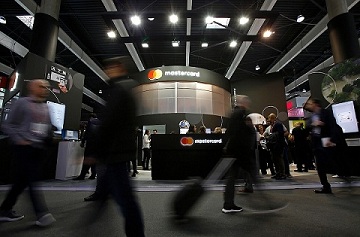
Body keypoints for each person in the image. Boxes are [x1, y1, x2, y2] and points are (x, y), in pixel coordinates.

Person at [90, 57, 145, 236]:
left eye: (111, 68)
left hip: (115, 152)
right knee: (109, 194)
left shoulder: (118, 89)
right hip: (117, 151)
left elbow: (109, 123)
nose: (108, 71)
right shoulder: (128, 88)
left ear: (118, 68)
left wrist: (96, 150)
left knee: (126, 200)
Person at [0, 79, 56, 226]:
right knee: (32, 181)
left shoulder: (45, 107)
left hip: (38, 149)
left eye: (46, 87)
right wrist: (19, 139)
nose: (45, 89)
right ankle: (42, 213)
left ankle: (4, 210)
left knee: (20, 183)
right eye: (41, 86)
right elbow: (8, 125)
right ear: (32, 87)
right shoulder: (21, 103)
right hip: (23, 149)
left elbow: (46, 128)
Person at [304, 97, 348, 194]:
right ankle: (326, 186)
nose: (309, 105)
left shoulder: (326, 113)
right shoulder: (312, 116)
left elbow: (333, 126)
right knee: (320, 166)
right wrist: (313, 124)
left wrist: (331, 139)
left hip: (327, 141)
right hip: (317, 143)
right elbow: (307, 127)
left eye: (310, 103)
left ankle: (344, 176)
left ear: (316, 104)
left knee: (333, 160)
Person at [222, 95, 256, 213]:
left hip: (235, 152)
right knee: (249, 174)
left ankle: (228, 204)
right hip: (237, 152)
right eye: (246, 102)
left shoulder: (237, 114)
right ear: (243, 103)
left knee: (232, 178)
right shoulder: (239, 114)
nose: (248, 104)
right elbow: (236, 133)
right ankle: (228, 204)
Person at [73, 113, 101, 180]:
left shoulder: (90, 122)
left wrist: (83, 142)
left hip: (90, 144)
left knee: (87, 159)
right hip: (97, 145)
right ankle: (93, 174)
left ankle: (82, 175)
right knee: (93, 159)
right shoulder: (100, 123)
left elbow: (87, 134)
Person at [264, 113, 286, 180]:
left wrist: (272, 136)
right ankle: (278, 173)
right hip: (273, 145)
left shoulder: (278, 124)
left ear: (273, 118)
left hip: (278, 145)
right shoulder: (271, 126)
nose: (268, 120)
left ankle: (282, 173)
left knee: (279, 159)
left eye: (269, 118)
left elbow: (281, 133)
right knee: (275, 159)